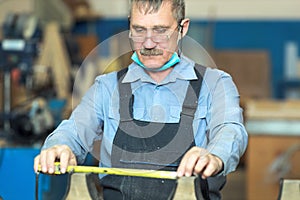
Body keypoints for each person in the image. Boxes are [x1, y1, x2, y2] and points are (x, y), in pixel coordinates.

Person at [34, 0, 248, 199]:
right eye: (139, 30)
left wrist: (214, 155)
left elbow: (230, 130)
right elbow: (74, 130)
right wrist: (60, 146)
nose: (148, 43)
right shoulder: (107, 87)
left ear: (183, 29)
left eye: (160, 31)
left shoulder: (215, 83)